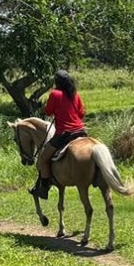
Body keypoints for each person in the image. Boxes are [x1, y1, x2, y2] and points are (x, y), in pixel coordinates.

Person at [30, 69, 87, 199]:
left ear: (57, 82)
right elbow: (81, 113)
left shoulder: (55, 94)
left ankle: (43, 189)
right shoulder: (75, 94)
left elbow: (48, 112)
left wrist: (45, 108)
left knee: (43, 158)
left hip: (64, 133)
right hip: (80, 131)